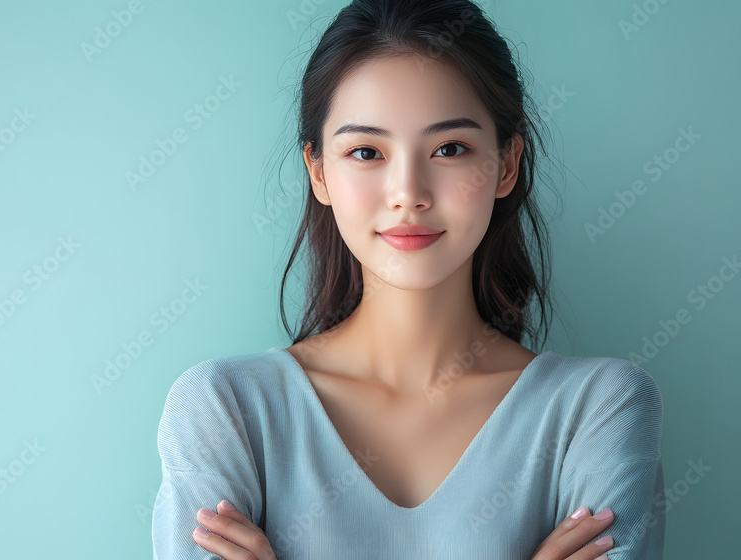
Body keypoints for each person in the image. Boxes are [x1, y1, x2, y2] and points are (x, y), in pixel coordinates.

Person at [151, 0, 665, 558]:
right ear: (319, 172)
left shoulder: (602, 411)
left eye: (450, 148)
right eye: (366, 151)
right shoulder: (224, 409)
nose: (408, 192)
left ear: (507, 164)